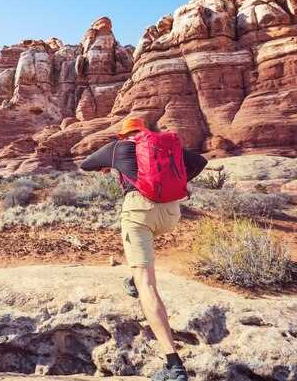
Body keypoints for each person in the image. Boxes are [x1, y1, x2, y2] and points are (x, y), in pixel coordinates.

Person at [79, 117, 207, 381]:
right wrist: (178, 181)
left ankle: (174, 365)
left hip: (139, 210)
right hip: (171, 214)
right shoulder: (162, 146)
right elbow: (200, 162)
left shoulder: (119, 147)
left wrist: (108, 165)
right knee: (141, 259)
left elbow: (85, 164)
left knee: (146, 284)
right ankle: (133, 276)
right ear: (145, 131)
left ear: (124, 133)